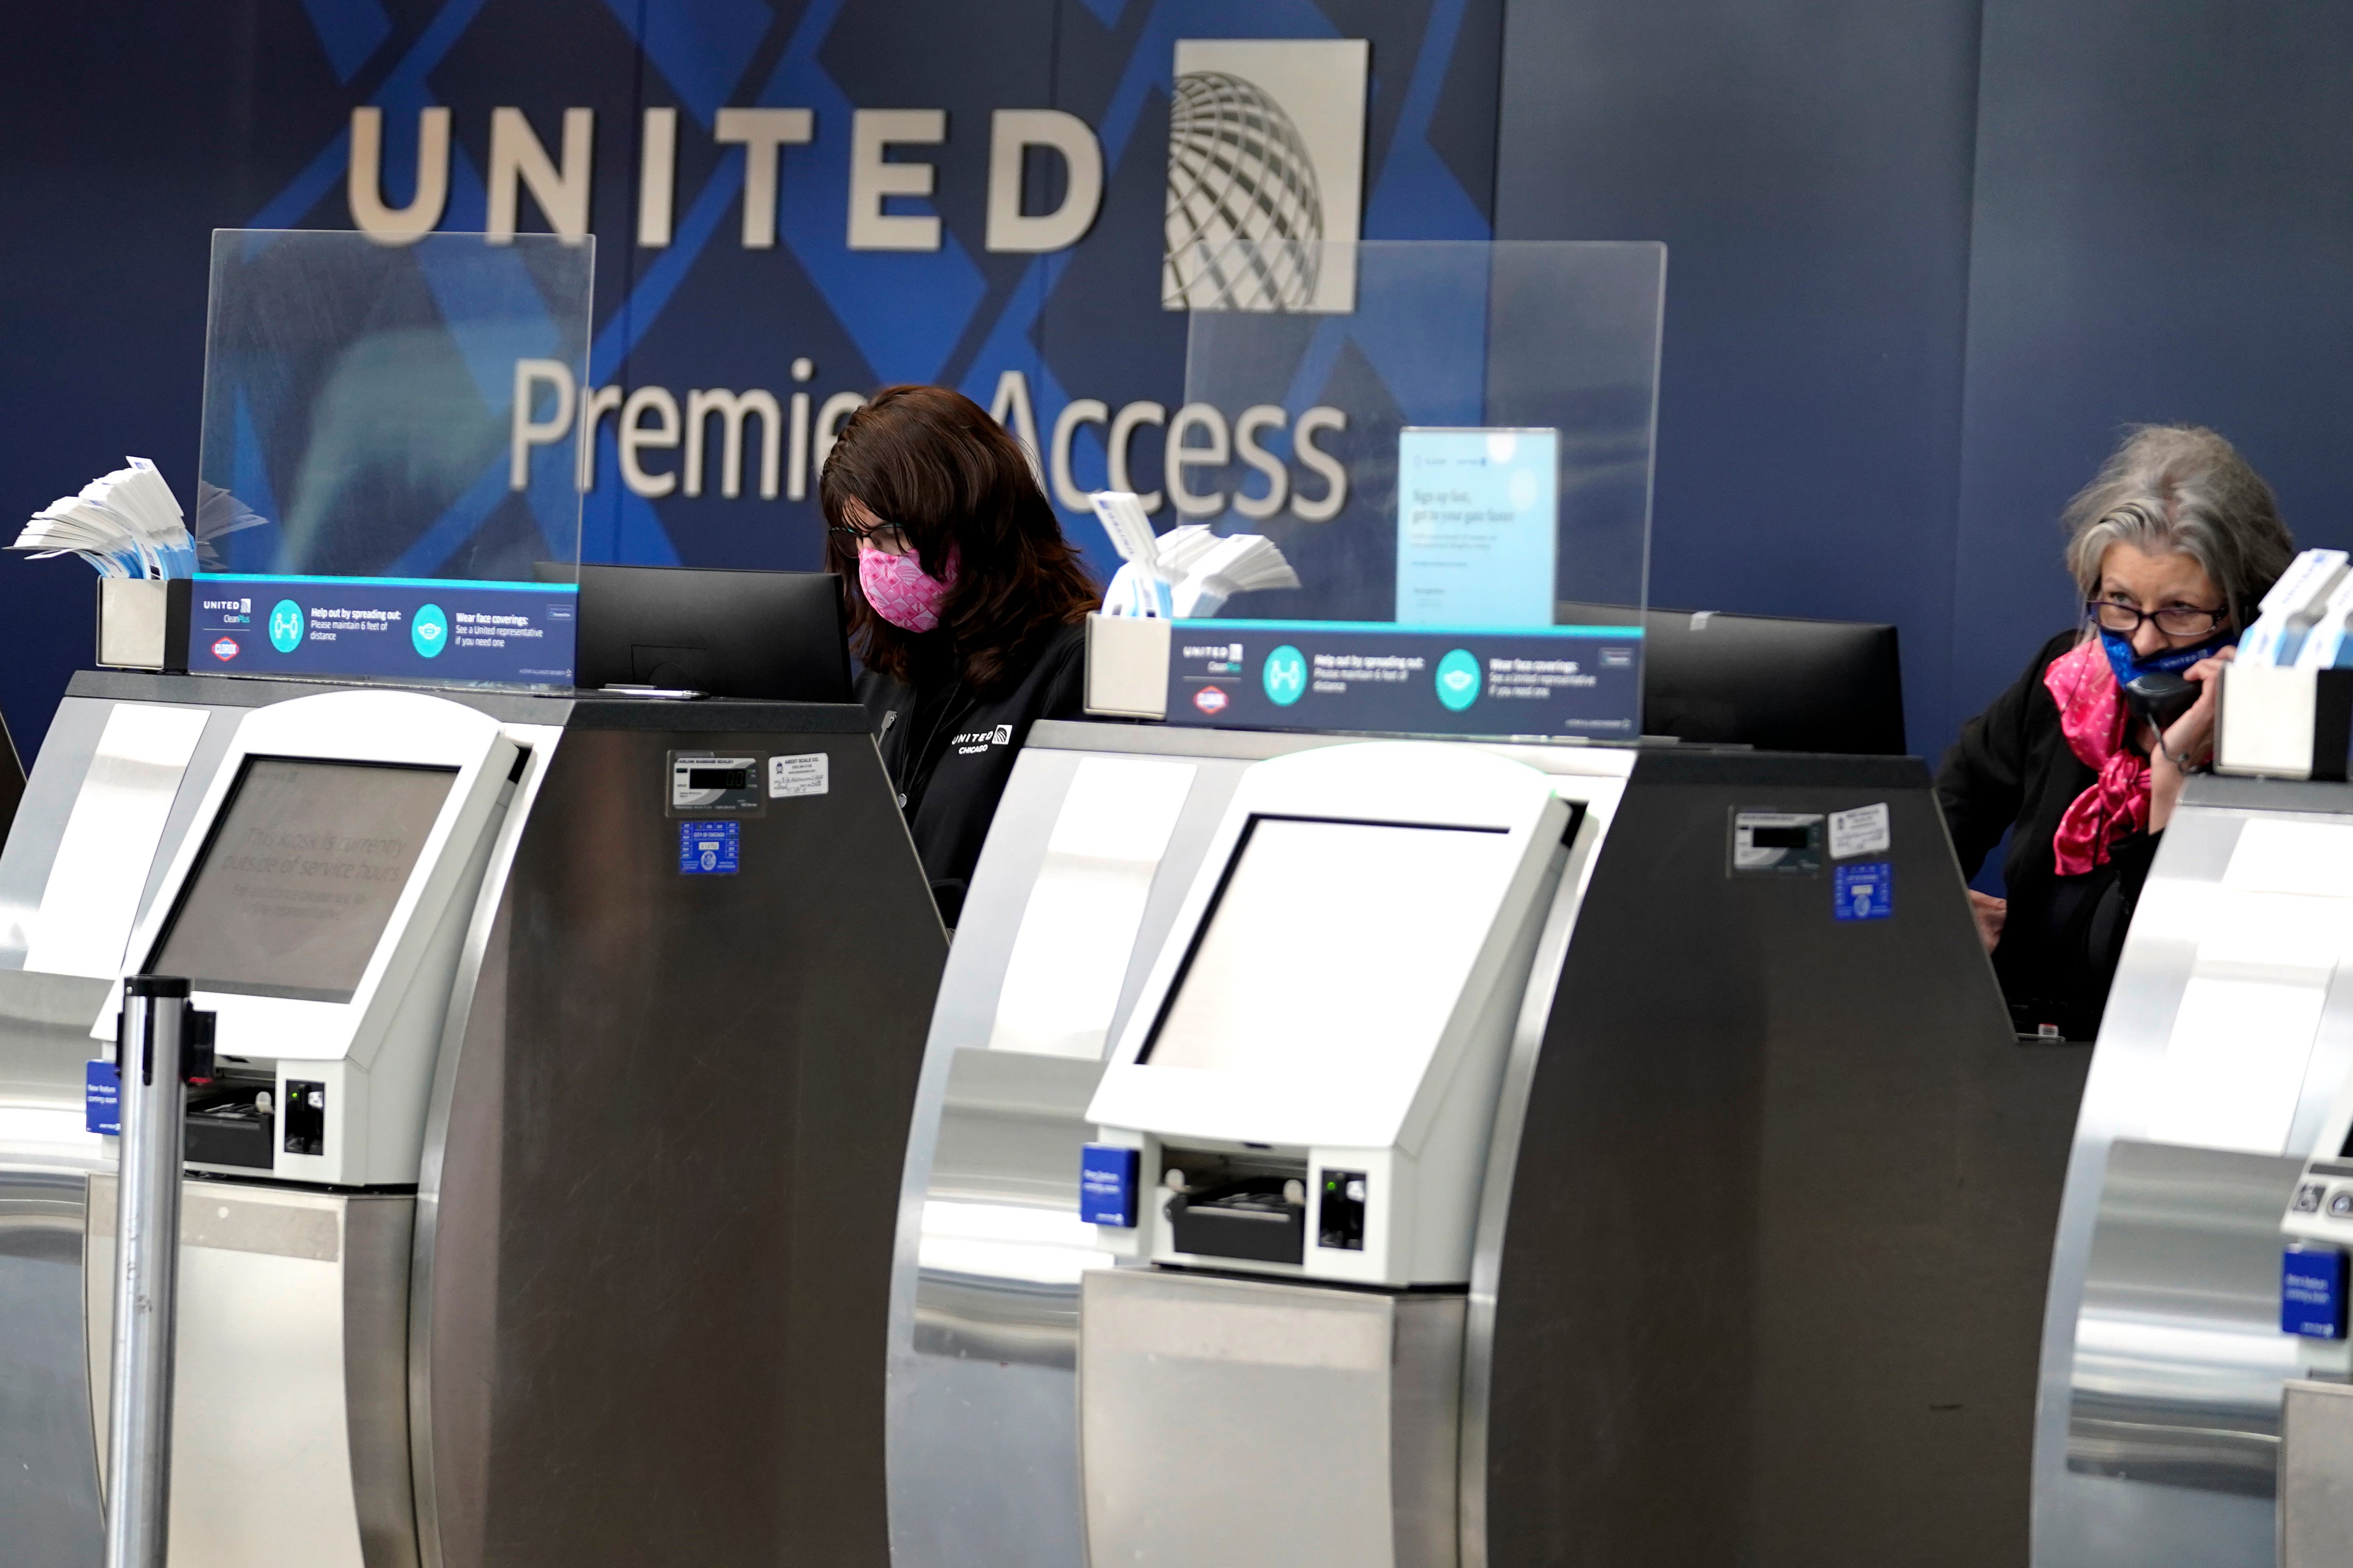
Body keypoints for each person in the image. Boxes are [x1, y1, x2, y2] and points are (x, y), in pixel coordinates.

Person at [1938, 425, 2294, 1040]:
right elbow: (1938, 822)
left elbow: (2171, 973)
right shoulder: (2066, 681)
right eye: (2119, 602)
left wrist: (2172, 774)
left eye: (2180, 610)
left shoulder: (2269, 740)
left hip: (2154, 1065)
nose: (2143, 639)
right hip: (2017, 1050)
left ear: (2242, 607)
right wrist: (1934, 910)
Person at [821, 384, 1100, 927]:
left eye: (891, 534)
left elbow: (1072, 896)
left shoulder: (1074, 668)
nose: (871, 560)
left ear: (977, 520)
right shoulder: (887, 675)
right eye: (856, 537)